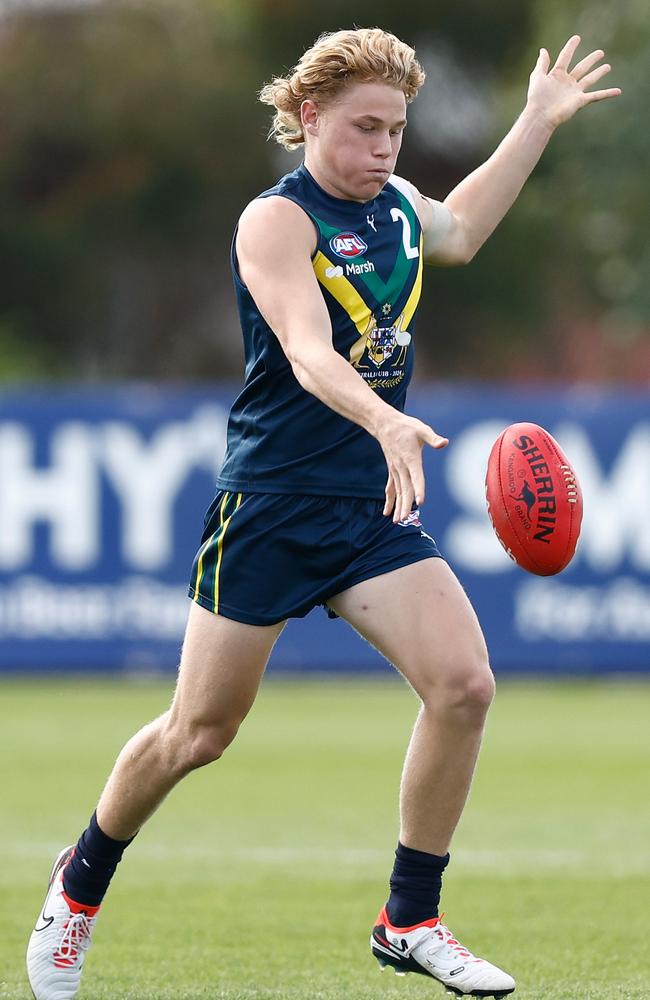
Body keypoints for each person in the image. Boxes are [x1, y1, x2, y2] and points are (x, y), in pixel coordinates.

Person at [26, 26, 620, 1000]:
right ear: (308, 117)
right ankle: (79, 884)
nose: (383, 149)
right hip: (270, 502)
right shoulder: (276, 221)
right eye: (363, 128)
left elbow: (460, 230)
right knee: (198, 733)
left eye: (395, 130)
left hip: (368, 504)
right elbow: (306, 352)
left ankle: (409, 918)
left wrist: (534, 121)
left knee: (464, 684)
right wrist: (385, 416)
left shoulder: (391, 207)